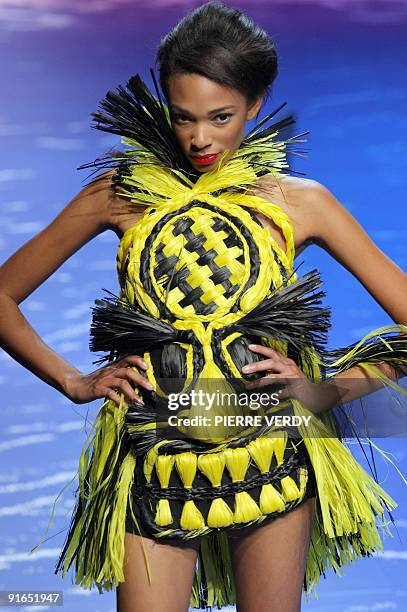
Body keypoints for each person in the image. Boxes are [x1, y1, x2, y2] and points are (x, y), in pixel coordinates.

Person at [0, 2, 406, 611]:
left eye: (222, 116)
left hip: (271, 452)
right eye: (183, 116)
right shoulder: (119, 194)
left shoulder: (301, 203)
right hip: (152, 460)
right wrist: (73, 383)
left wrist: (329, 390)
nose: (199, 139)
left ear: (257, 105)